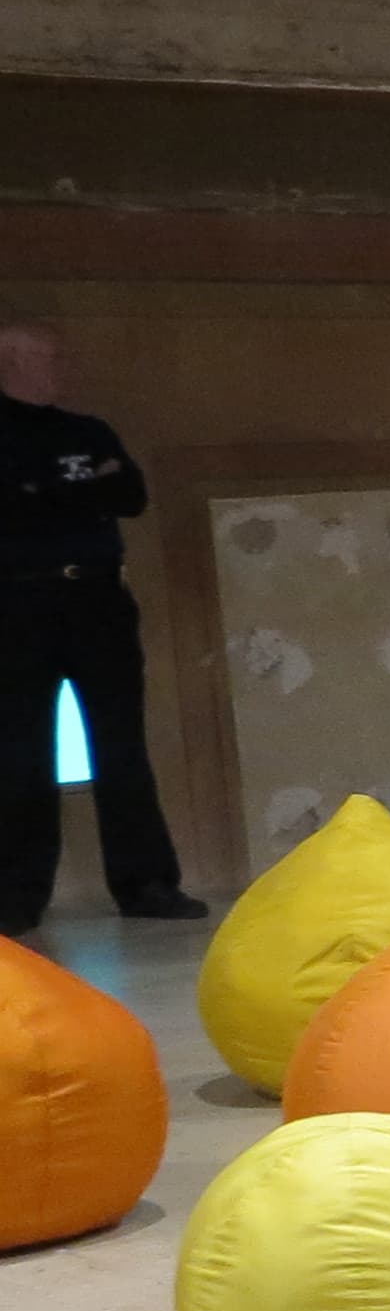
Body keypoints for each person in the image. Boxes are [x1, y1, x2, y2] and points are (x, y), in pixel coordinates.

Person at [0, 320, 204, 932]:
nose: (60, 367)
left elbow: (130, 495)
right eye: (47, 357)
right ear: (12, 362)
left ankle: (146, 884)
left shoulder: (87, 431)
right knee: (22, 750)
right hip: (19, 605)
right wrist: (77, 488)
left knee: (121, 745)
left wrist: (49, 491)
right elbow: (17, 507)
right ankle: (17, 896)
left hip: (97, 600)